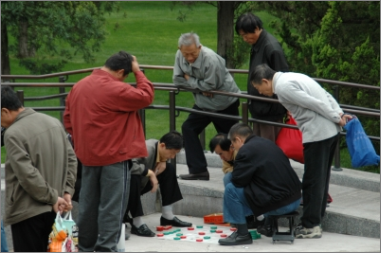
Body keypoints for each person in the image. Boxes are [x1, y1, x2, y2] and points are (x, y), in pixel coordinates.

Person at [63, 51, 154, 251]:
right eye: (127, 75)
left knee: (88, 205)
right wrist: (138, 72)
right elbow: (146, 96)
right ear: (121, 71)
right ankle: (106, 248)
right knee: (112, 207)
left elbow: (68, 120)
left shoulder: (78, 86)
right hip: (114, 157)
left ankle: (85, 247)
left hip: (87, 156)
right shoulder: (115, 88)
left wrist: (86, 139)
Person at [249, 64, 352, 239]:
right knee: (320, 178)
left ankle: (310, 225)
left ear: (266, 81)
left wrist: (337, 117)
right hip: (330, 132)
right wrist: (339, 114)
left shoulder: (282, 87)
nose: (260, 93)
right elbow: (325, 94)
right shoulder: (294, 76)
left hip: (318, 133)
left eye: (259, 88)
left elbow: (314, 103)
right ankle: (316, 219)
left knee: (312, 180)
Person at [1, 86, 77, 252]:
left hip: (28, 211)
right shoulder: (53, 122)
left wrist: (53, 198)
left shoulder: (12, 133)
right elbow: (71, 159)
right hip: (57, 208)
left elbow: (27, 174)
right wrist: (66, 192)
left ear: (5, 111)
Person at [218, 123, 301, 246]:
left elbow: (238, 182)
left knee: (230, 189)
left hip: (281, 204)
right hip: (295, 199)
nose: (233, 148)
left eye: (232, 144)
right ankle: (249, 220)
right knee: (229, 177)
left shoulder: (245, 151)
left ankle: (242, 234)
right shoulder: (266, 143)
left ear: (238, 140)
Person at [173, 32, 241, 181]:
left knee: (231, 138)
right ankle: (198, 170)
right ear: (180, 49)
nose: (189, 58)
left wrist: (189, 79)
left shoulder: (210, 59)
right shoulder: (179, 54)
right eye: (186, 54)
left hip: (224, 103)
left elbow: (210, 87)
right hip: (203, 104)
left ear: (200, 47)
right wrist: (199, 86)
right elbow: (177, 79)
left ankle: (241, 170)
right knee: (188, 128)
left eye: (193, 54)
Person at [123, 131, 192, 237]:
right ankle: (137, 223)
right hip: (124, 189)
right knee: (133, 177)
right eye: (172, 153)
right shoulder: (147, 148)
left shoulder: (159, 146)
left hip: (141, 184)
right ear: (163, 145)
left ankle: (167, 215)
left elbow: (160, 150)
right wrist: (149, 173)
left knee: (169, 169)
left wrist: (163, 159)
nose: (173, 157)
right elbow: (128, 166)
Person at [235, 13, 289, 142]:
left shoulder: (271, 48)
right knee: (259, 145)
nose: (245, 39)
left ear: (256, 28)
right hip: (259, 107)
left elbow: (283, 77)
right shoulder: (258, 44)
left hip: (270, 110)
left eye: (245, 34)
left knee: (268, 146)